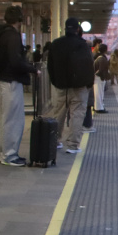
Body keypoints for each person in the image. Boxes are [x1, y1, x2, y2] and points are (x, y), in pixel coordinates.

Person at [0, 5, 37, 166]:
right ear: (19, 20)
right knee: (13, 120)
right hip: (11, 82)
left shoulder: (2, 34)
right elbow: (15, 61)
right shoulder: (12, 36)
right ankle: (9, 155)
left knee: (6, 118)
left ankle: (6, 152)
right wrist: (32, 69)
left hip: (4, 80)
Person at [48, 18, 94, 153]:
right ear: (78, 29)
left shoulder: (56, 44)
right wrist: (88, 84)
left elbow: (50, 66)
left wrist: (55, 81)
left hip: (61, 87)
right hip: (79, 88)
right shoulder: (83, 45)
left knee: (58, 114)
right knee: (77, 115)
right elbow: (89, 66)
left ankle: (55, 141)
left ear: (65, 28)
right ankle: (73, 145)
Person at [93, 44, 110, 114]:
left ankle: (97, 107)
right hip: (99, 79)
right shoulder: (102, 59)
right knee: (99, 93)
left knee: (98, 93)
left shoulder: (99, 57)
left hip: (98, 78)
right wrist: (100, 76)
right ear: (105, 50)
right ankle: (99, 108)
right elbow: (101, 70)